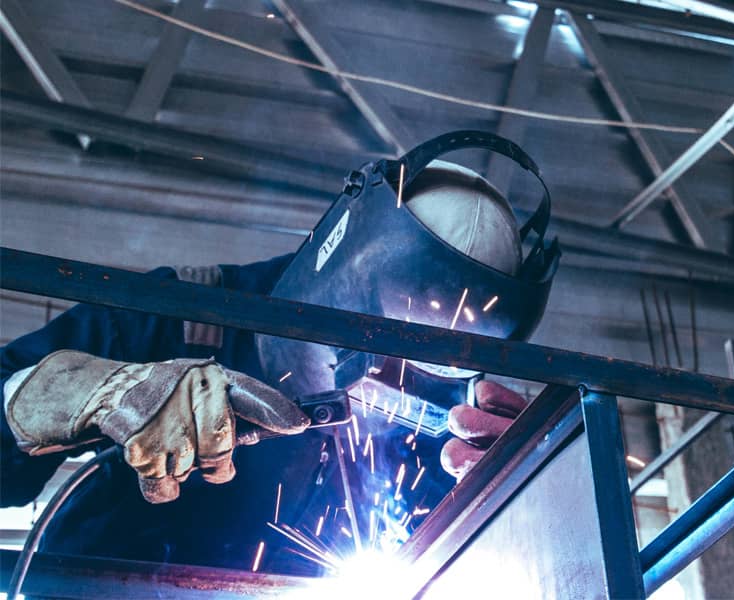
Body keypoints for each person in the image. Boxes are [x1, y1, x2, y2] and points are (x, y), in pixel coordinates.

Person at [0, 131, 559, 574]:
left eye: (429, 361)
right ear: (341, 276)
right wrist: (73, 395)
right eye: (388, 345)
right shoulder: (179, 316)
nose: (398, 380)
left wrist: (519, 499)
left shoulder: (447, 425)